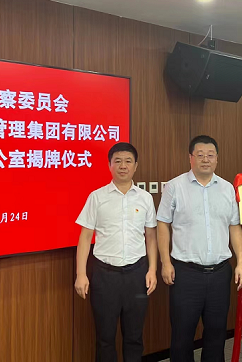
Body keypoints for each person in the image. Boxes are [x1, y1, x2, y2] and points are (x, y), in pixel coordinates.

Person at [157, 135, 242, 362]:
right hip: (186, 274)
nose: (205, 159)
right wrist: (165, 262)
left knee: (216, 335)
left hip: (220, 273)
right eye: (200, 155)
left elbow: (234, 227)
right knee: (182, 336)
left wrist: (241, 263)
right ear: (191, 158)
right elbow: (163, 224)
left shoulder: (227, 189)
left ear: (217, 159)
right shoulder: (175, 187)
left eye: (210, 155)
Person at [74, 142, 158, 362]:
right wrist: (81, 274)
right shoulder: (97, 197)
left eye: (128, 161)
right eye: (117, 161)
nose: (123, 166)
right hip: (105, 276)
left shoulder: (145, 198)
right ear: (109, 165)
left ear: (136, 166)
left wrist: (152, 270)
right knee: (105, 338)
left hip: (137, 275)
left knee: (134, 336)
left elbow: (151, 237)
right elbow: (85, 237)